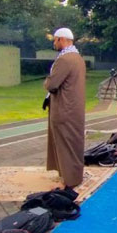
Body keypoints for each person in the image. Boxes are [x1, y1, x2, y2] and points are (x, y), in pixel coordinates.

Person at [44, 27, 86, 191]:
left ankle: (70, 179)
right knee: (72, 143)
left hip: (64, 109)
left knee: (66, 144)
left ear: (62, 39)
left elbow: (52, 84)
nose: (54, 43)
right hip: (74, 107)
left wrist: (46, 83)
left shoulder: (65, 60)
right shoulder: (78, 58)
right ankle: (72, 175)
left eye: (55, 40)